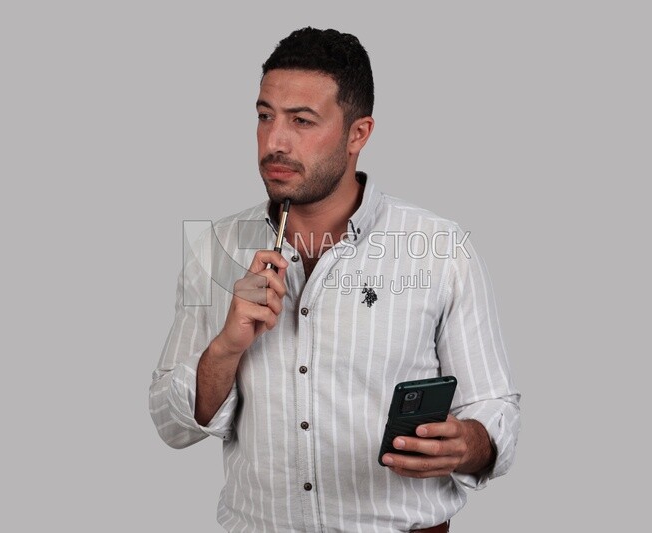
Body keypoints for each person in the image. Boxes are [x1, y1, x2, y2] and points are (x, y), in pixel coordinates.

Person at [149, 27, 520, 533]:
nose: (274, 142)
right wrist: (224, 349)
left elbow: (497, 412)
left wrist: (469, 443)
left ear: (358, 134)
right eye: (264, 117)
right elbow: (171, 426)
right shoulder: (214, 249)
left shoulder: (440, 249)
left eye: (302, 121)